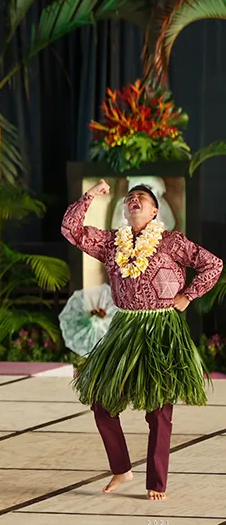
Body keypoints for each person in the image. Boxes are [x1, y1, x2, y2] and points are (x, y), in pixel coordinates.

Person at [63, 180, 222, 501]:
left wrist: (189, 295)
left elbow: (213, 264)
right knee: (102, 402)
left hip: (161, 329)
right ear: (125, 210)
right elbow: (71, 229)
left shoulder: (171, 241)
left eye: (143, 198)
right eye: (130, 198)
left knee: (159, 410)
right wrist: (91, 195)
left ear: (154, 210)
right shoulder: (111, 243)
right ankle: (121, 468)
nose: (134, 200)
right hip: (123, 329)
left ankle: (157, 482)